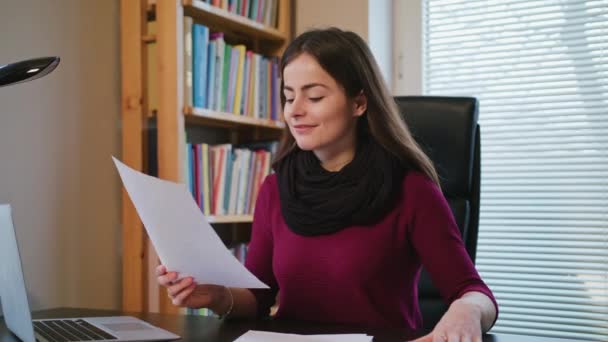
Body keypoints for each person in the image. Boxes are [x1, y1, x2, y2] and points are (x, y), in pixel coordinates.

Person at [156, 27, 498, 341]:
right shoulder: (275, 189)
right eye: (289, 97)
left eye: (314, 97)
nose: (294, 111)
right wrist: (216, 296)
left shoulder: (412, 189)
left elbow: (475, 293)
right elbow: (259, 297)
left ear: (359, 103)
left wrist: (466, 310)